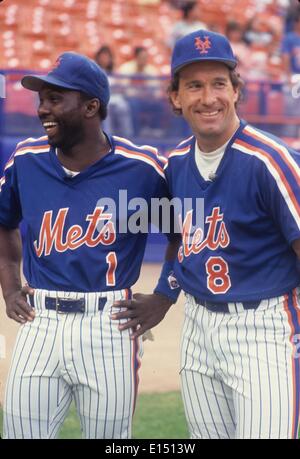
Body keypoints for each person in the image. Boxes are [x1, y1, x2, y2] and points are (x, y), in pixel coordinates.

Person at [112, 29, 300, 439]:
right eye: (194, 85)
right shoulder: (177, 163)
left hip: (263, 329)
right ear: (175, 97)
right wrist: (165, 293)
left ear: (237, 91)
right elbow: (181, 240)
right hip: (198, 327)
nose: (208, 97)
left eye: (219, 83)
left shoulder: (270, 161)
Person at [0, 51, 173, 439]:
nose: (43, 108)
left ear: (92, 106)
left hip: (109, 324)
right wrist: (10, 286)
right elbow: (3, 223)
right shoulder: (27, 159)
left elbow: (182, 235)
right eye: (41, 99)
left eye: (55, 99)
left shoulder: (141, 168)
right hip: (39, 322)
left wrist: (164, 296)